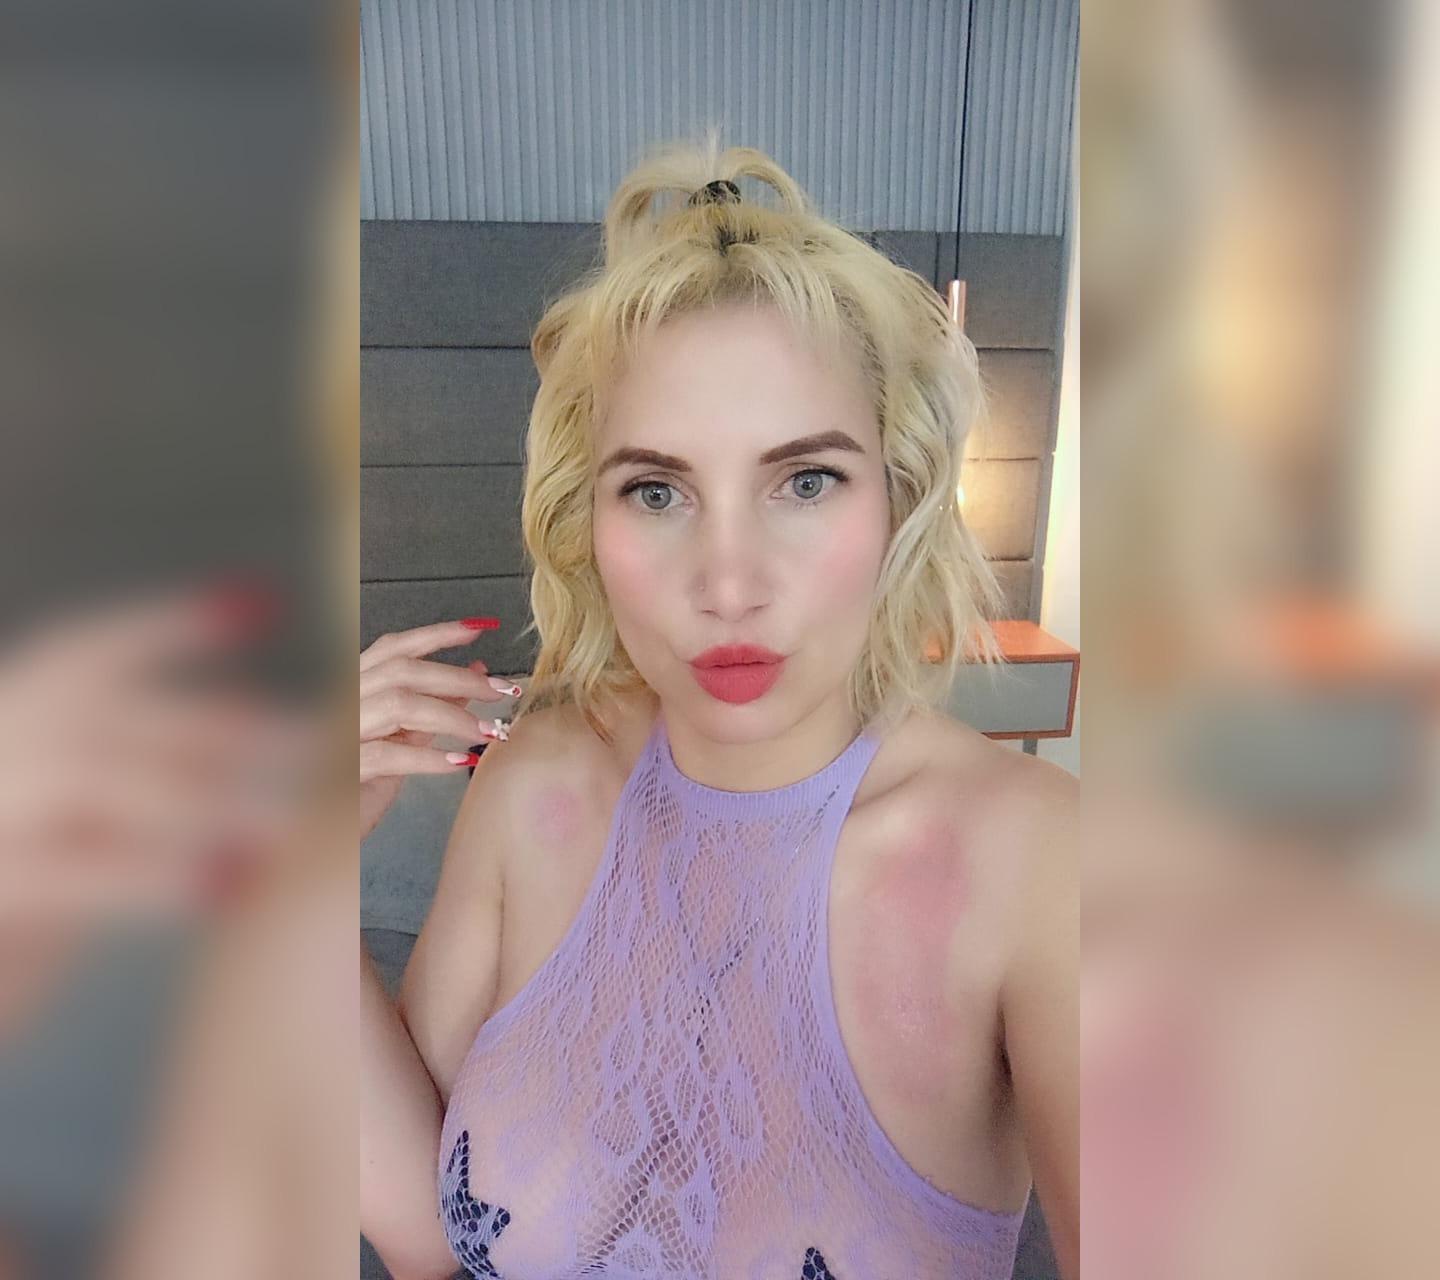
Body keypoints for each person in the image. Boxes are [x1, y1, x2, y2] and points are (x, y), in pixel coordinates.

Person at [360, 140, 1077, 1280]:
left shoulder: (1036, 860)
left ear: (898, 499)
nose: (730, 581)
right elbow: (424, 1237)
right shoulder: (539, 778)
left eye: (806, 480)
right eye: (657, 490)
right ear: (586, 520)